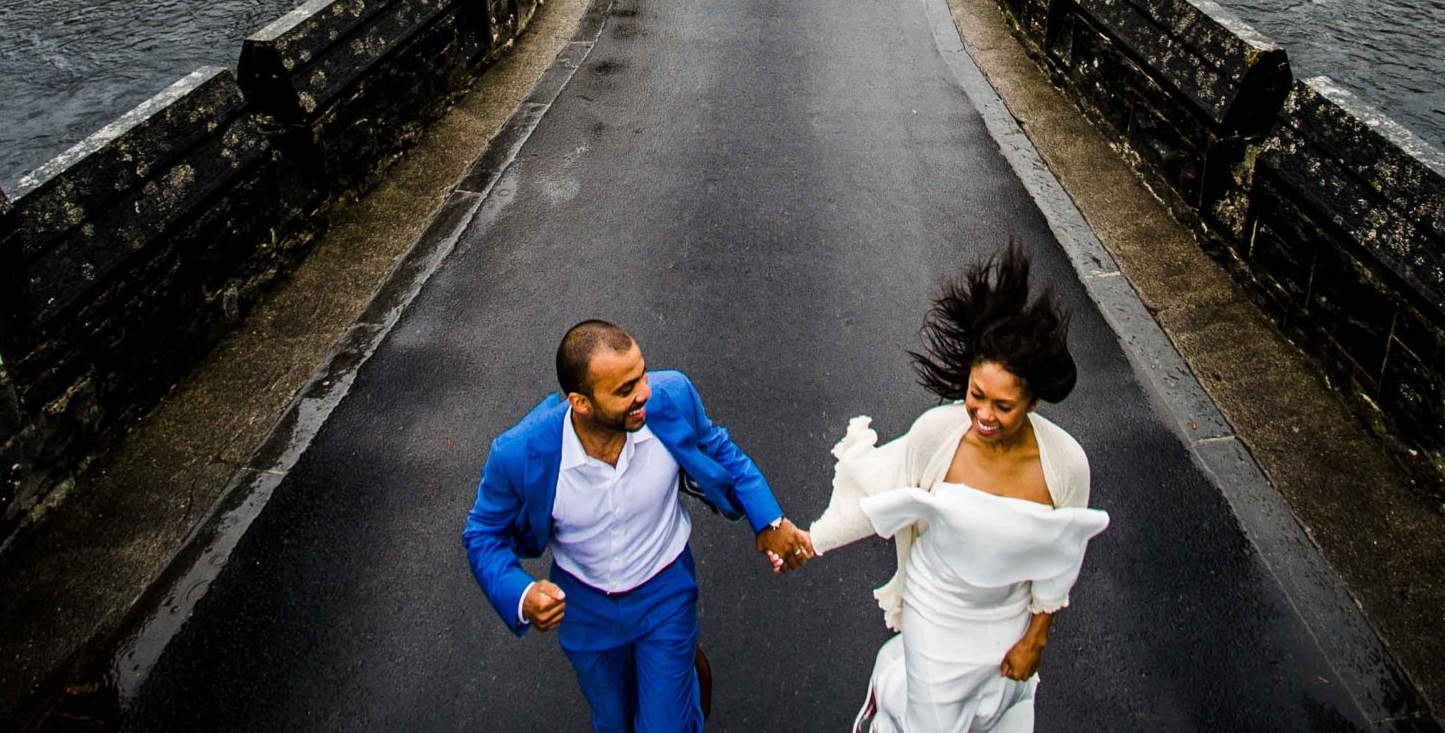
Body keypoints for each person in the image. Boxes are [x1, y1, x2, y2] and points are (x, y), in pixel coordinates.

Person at [807, 244, 1109, 733]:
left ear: (1032, 402)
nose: (984, 416)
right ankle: (891, 689)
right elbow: (879, 493)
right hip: (936, 606)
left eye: (1003, 406)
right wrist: (812, 540)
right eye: (975, 395)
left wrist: (1037, 637)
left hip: (1006, 613)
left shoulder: (1066, 466)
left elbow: (1061, 558)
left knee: (994, 713)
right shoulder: (936, 435)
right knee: (936, 723)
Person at [464, 319, 816, 732]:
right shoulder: (519, 454)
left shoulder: (672, 398)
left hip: (665, 594)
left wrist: (769, 520)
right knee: (613, 720)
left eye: (642, 375)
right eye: (625, 390)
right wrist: (521, 594)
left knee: (665, 725)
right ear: (581, 403)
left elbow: (721, 451)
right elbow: (482, 534)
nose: (643, 393)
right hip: (585, 609)